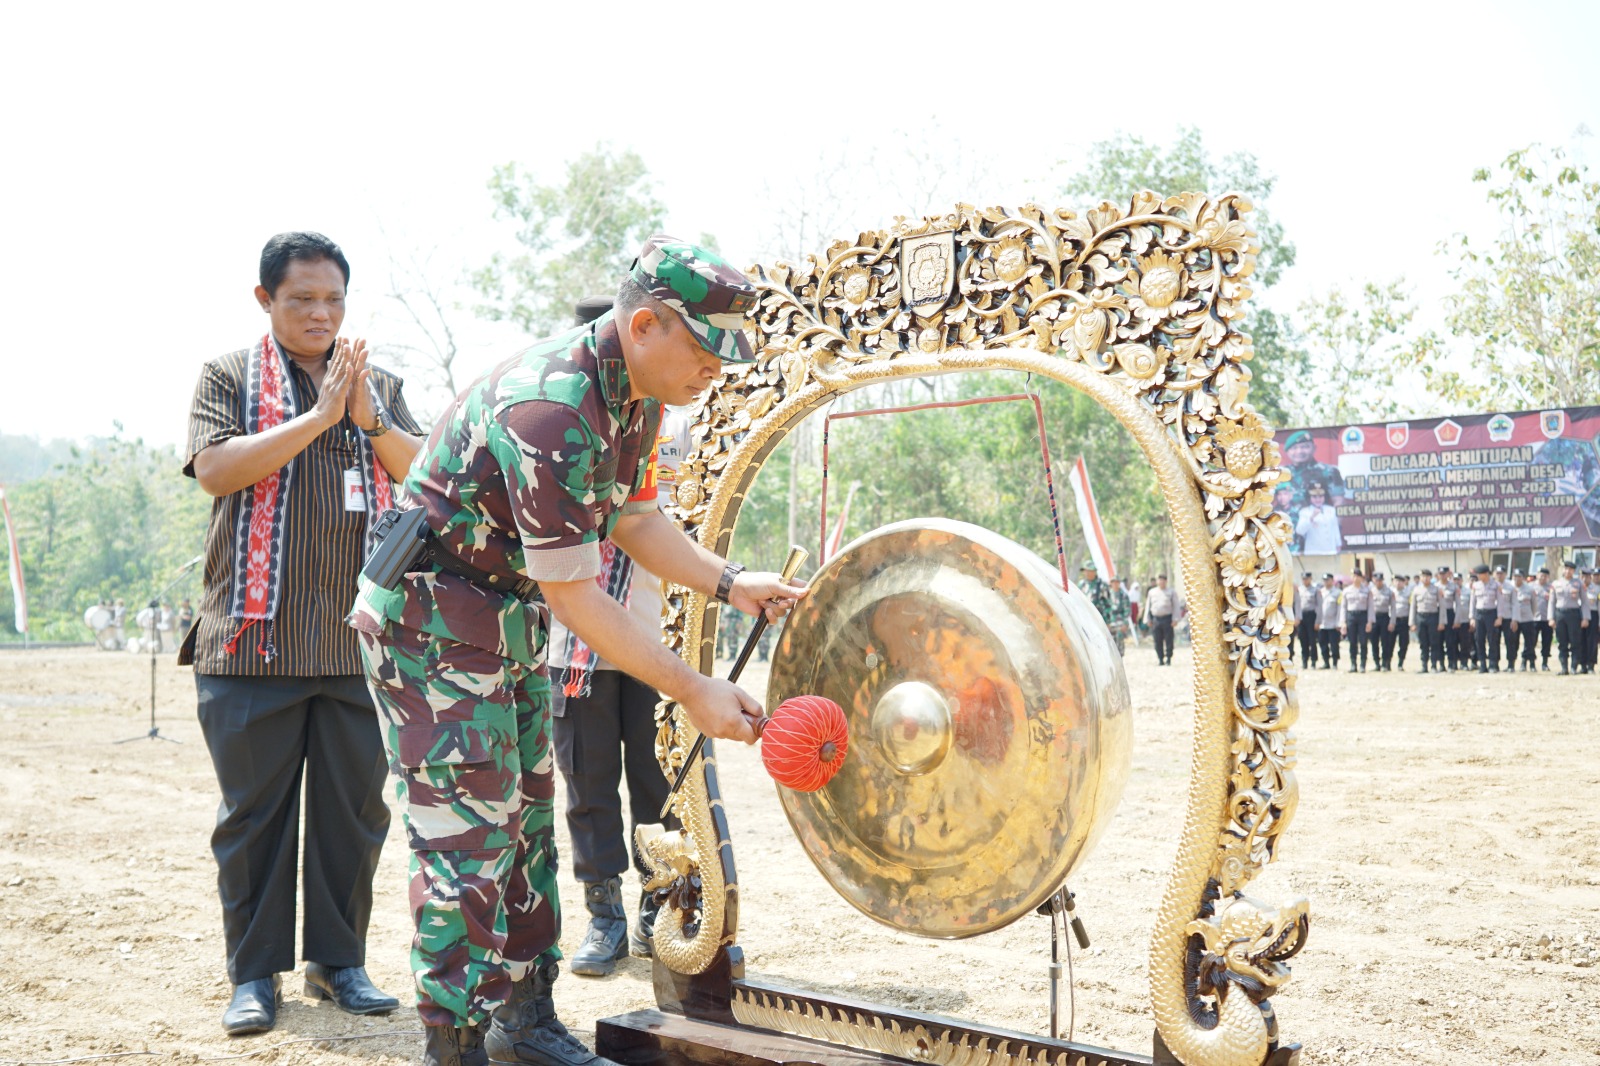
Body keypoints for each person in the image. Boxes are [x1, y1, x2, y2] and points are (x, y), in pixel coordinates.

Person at [349, 236, 808, 1066]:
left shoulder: (637, 394)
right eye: (709, 352)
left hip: (502, 623)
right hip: (432, 630)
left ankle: (525, 1022)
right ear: (644, 325)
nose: (718, 371)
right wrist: (691, 686)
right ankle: (452, 1046)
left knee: (526, 825)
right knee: (467, 845)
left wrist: (729, 581)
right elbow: (577, 594)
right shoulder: (552, 410)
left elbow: (634, 521)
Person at [185, 232, 422, 1035]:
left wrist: (366, 416)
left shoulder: (378, 382)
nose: (321, 314)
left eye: (333, 300)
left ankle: (339, 961)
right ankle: (253, 977)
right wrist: (320, 418)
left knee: (355, 814)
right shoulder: (228, 377)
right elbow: (217, 470)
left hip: (359, 644)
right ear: (265, 301)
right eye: (302, 300)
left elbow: (425, 477)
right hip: (255, 644)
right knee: (254, 818)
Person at [547, 296, 681, 979]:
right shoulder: (557, 421)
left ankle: (660, 909)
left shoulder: (670, 430)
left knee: (658, 785)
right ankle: (603, 917)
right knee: (588, 784)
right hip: (575, 649)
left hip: (655, 641)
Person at [1294, 482, 1341, 555]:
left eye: (1321, 496)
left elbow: (1335, 529)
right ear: (1310, 498)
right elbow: (1299, 531)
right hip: (1313, 552)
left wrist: (1338, 544)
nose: (1318, 499)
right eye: (1314, 497)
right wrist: (1311, 518)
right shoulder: (1305, 512)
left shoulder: (1331, 510)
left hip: (1330, 551)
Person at [1409, 569, 1442, 674]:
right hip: (1420, 617)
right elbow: (1413, 607)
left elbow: (1442, 606)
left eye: (1427, 576)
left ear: (1431, 577)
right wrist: (1412, 623)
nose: (1425, 578)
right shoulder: (1416, 590)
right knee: (1423, 643)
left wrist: (1441, 622)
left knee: (1434, 642)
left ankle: (1433, 665)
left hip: (1433, 617)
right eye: (1423, 576)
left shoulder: (1436, 590)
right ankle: (1424, 666)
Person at [1340, 570, 1371, 673]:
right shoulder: (1346, 591)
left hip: (1363, 616)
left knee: (1363, 642)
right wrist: (1343, 622)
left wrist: (1370, 621)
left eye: (1358, 576)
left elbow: (1371, 607)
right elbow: (1343, 607)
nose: (1356, 578)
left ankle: (1363, 664)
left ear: (1362, 578)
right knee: (1352, 642)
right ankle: (1353, 664)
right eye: (1354, 576)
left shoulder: (1367, 590)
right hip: (1351, 616)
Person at [1145, 573, 1178, 665]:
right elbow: (1148, 606)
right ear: (1157, 581)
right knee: (1157, 640)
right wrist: (1148, 619)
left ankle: (1168, 658)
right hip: (1156, 619)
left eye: (1163, 580)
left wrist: (1175, 619)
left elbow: (1176, 606)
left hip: (1167, 619)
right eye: (1160, 580)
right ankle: (1160, 659)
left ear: (1166, 581)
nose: (1161, 582)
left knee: (1169, 640)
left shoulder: (1171, 592)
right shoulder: (1152, 592)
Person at [1368, 572, 1394, 671]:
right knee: (1374, 642)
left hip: (1384, 617)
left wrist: (1392, 621)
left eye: (1380, 580)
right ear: (1373, 580)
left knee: (1385, 642)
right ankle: (1376, 663)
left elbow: (1393, 608)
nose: (1378, 582)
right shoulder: (1370, 591)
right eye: (1376, 580)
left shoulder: (1389, 592)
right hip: (1373, 618)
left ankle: (1384, 663)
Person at [1315, 573, 1342, 669]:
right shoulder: (1320, 592)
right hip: (1322, 623)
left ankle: (1335, 663)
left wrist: (1339, 623)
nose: (1326, 582)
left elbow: (1340, 609)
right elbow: (1317, 608)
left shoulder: (1338, 592)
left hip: (1333, 624)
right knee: (1323, 644)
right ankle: (1326, 662)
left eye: (1328, 580)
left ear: (1332, 580)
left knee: (1334, 645)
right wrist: (1317, 622)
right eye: (1324, 580)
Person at [1294, 572, 1318, 669]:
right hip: (1301, 616)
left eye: (1306, 579)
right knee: (1303, 640)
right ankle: (1304, 661)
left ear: (1310, 579)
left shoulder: (1315, 590)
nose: (1305, 580)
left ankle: (1313, 661)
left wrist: (1318, 621)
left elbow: (1318, 606)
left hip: (1311, 616)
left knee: (1312, 640)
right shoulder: (1299, 590)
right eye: (1303, 579)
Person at [1105, 576, 1131, 654]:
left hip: (1120, 621)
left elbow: (1127, 610)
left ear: (1119, 583)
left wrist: (1125, 623)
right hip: (1109, 621)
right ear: (1111, 583)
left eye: (1117, 582)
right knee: (1109, 641)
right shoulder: (1108, 594)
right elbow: (1105, 608)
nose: (1115, 584)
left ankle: (1120, 656)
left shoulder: (1123, 595)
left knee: (1119, 639)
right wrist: (1106, 621)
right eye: (1113, 582)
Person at [1391, 574, 1412, 670]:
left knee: (1403, 643)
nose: (1398, 583)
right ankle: (1387, 663)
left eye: (1400, 581)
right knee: (1389, 642)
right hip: (1392, 621)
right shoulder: (1390, 592)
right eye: (1396, 581)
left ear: (1404, 582)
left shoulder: (1408, 593)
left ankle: (1400, 662)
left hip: (1404, 621)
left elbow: (1412, 607)